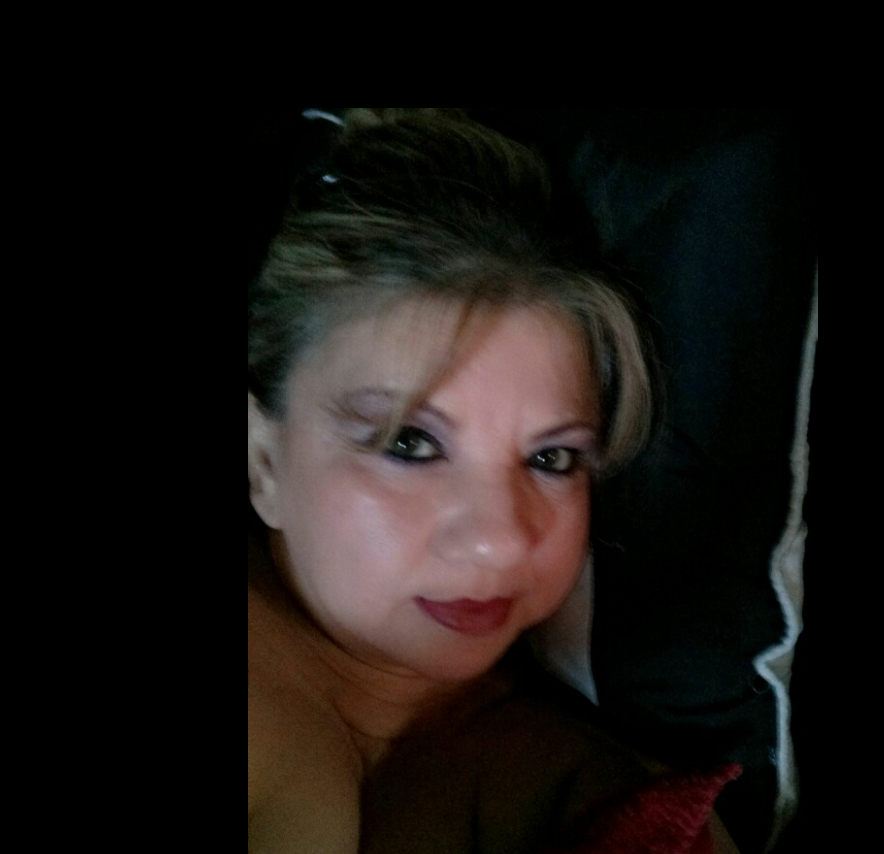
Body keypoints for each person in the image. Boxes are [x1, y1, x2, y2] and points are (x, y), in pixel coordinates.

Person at [248, 111, 737, 853]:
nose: (500, 540)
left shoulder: (590, 778)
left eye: (552, 459)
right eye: (409, 443)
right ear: (262, 461)